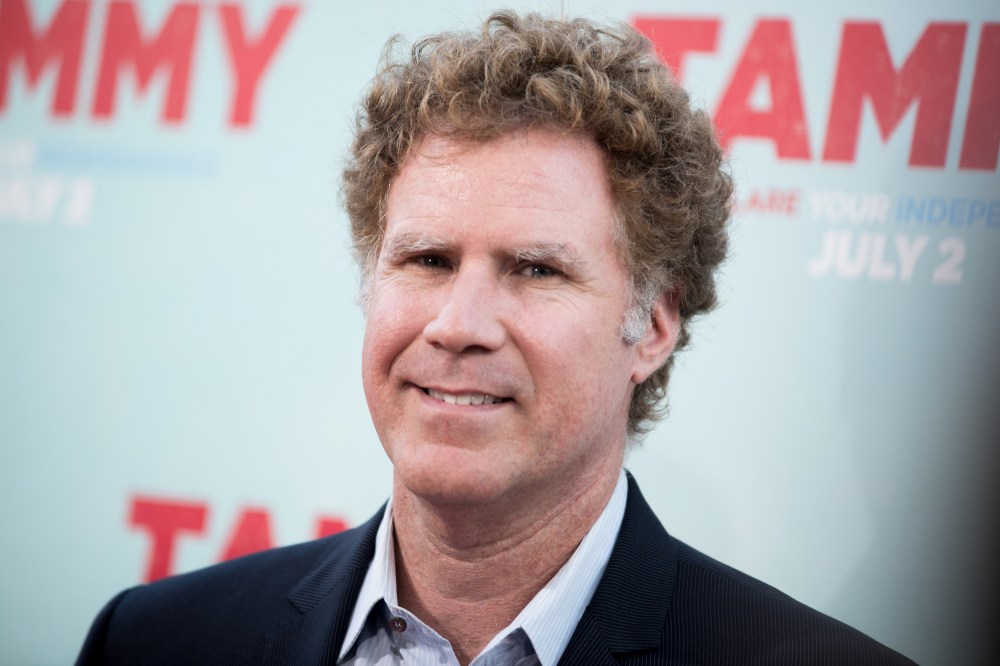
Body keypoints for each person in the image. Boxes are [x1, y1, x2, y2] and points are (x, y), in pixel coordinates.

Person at [77, 11, 915, 665]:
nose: (458, 325)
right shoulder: (155, 641)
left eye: (536, 270)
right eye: (428, 260)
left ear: (654, 326)